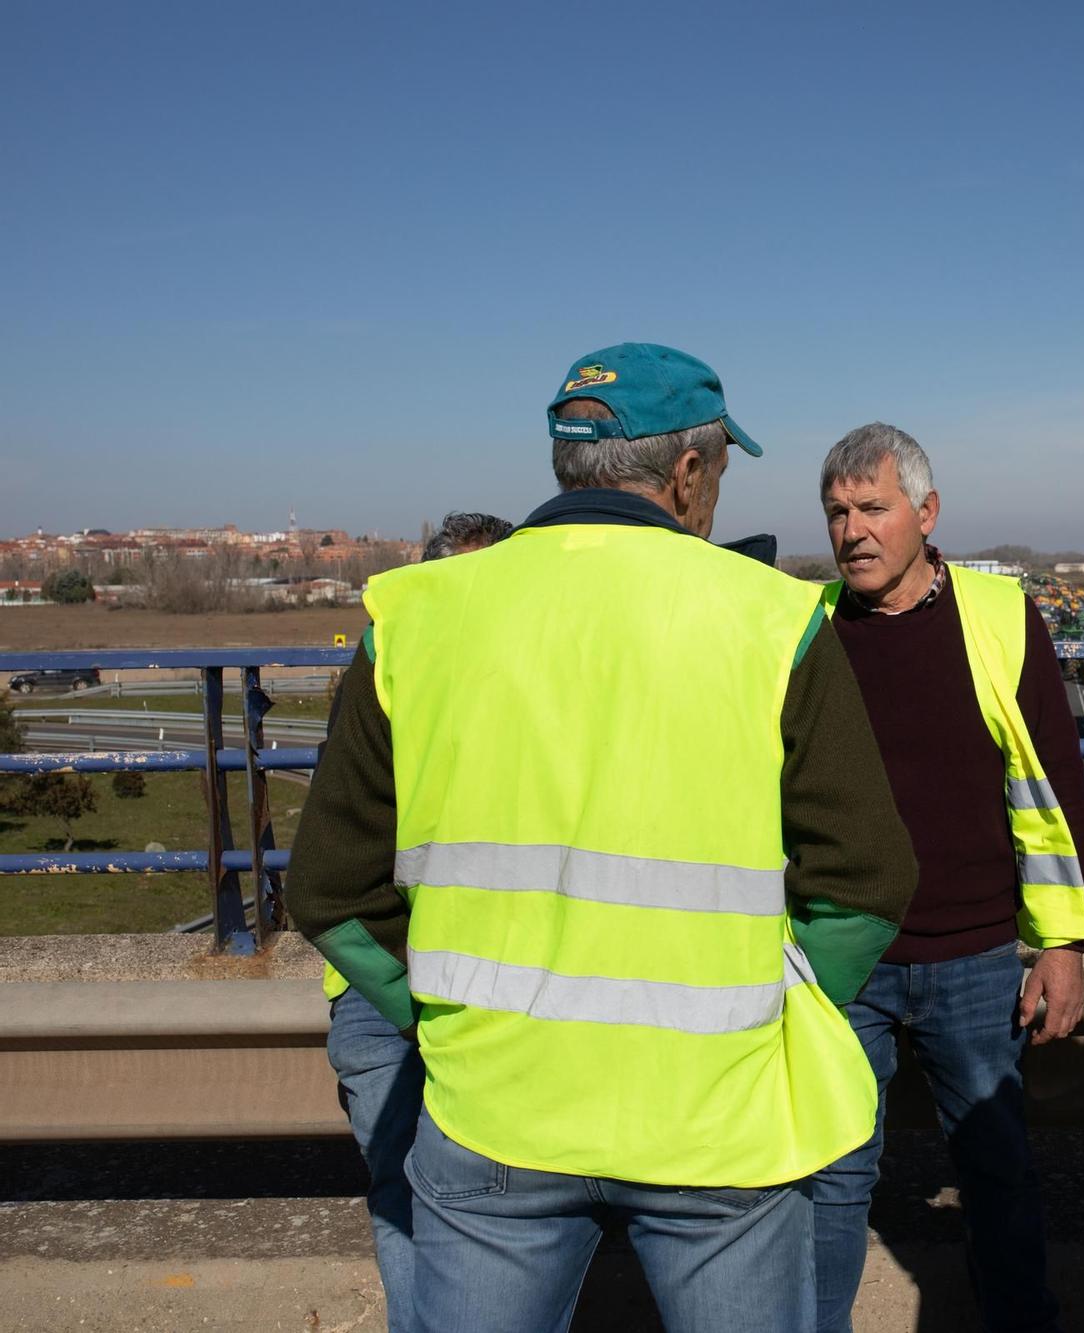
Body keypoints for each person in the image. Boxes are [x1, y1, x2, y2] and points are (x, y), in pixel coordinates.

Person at [288, 344, 918, 1333]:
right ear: (688, 473)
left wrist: (442, 1018)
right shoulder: (772, 619)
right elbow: (869, 880)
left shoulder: (415, 619)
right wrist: (774, 1010)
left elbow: (328, 888)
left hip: (494, 1108)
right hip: (716, 1120)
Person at [809, 423, 1084, 1333]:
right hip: (842, 959)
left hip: (973, 959)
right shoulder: (807, 630)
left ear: (926, 514)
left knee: (996, 1171)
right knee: (830, 1176)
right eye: (838, 511)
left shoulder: (1001, 616)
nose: (853, 530)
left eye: (874, 508)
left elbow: (1052, 786)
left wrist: (1062, 944)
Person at [319, 510, 514, 1333]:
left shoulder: (389, 668)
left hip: (404, 979)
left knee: (459, 1206)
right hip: (402, 987)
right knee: (447, 1204)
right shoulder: (491, 696)